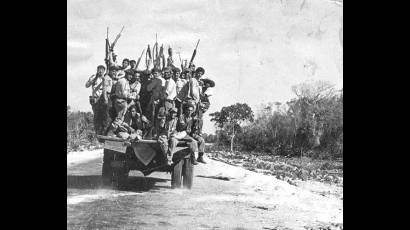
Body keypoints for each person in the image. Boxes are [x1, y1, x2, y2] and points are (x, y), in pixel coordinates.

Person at [85, 65, 112, 135]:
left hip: (103, 100)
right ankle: (97, 133)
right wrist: (90, 80)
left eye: (102, 70)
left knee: (104, 116)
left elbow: (108, 89)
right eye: (99, 69)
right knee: (97, 117)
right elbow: (86, 85)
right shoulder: (94, 78)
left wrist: (104, 81)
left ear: (104, 71)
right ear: (97, 70)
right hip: (95, 100)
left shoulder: (106, 78)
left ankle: (103, 133)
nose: (100, 71)